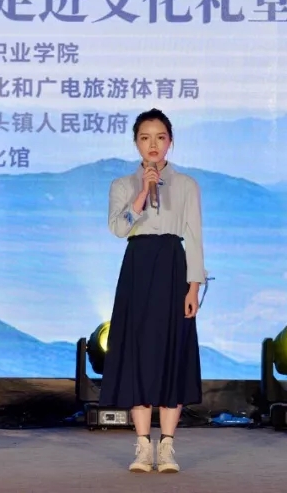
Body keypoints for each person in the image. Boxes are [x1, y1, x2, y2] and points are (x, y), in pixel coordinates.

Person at [100, 108, 204, 473]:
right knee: (138, 354)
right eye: (145, 138)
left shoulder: (187, 184)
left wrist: (193, 287)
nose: (153, 145)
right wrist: (143, 191)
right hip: (138, 267)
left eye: (160, 137)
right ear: (136, 143)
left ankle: (168, 446)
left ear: (170, 141)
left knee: (172, 352)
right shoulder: (122, 185)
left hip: (173, 268)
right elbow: (118, 229)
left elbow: (194, 238)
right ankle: (143, 446)